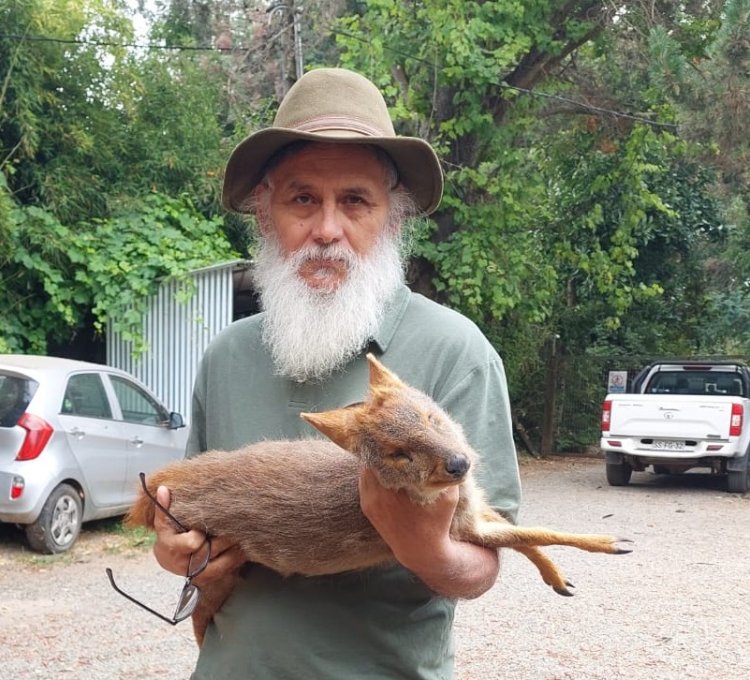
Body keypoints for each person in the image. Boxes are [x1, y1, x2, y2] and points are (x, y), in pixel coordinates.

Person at [152, 67, 522, 679]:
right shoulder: (226, 357)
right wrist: (176, 552)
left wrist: (423, 546)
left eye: (355, 200)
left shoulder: (456, 350)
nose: (327, 229)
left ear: (393, 219)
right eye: (302, 199)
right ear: (266, 215)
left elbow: (482, 564)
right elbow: (186, 533)